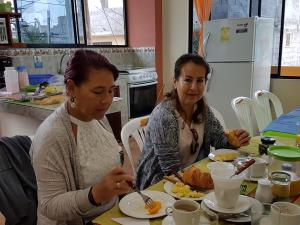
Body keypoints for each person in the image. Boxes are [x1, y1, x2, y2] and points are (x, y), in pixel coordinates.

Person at [30, 50, 134, 225]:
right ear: (71, 88)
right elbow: (49, 205)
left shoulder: (97, 117)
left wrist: (117, 182)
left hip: (110, 215)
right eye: (98, 91)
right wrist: (95, 195)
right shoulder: (53, 136)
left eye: (110, 90)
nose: (107, 100)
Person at [136, 53, 250, 190]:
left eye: (200, 80)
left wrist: (233, 141)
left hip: (191, 176)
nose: (194, 87)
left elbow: (219, 141)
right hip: (158, 184)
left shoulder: (202, 109)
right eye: (188, 80)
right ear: (175, 81)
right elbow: (171, 169)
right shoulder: (164, 116)